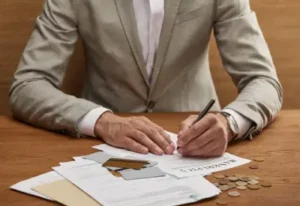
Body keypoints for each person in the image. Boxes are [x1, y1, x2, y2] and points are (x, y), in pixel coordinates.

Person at [9, 0, 282, 157]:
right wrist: (102, 121)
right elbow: (27, 85)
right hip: (102, 145)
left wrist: (229, 122)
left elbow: (262, 79)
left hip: (193, 148)